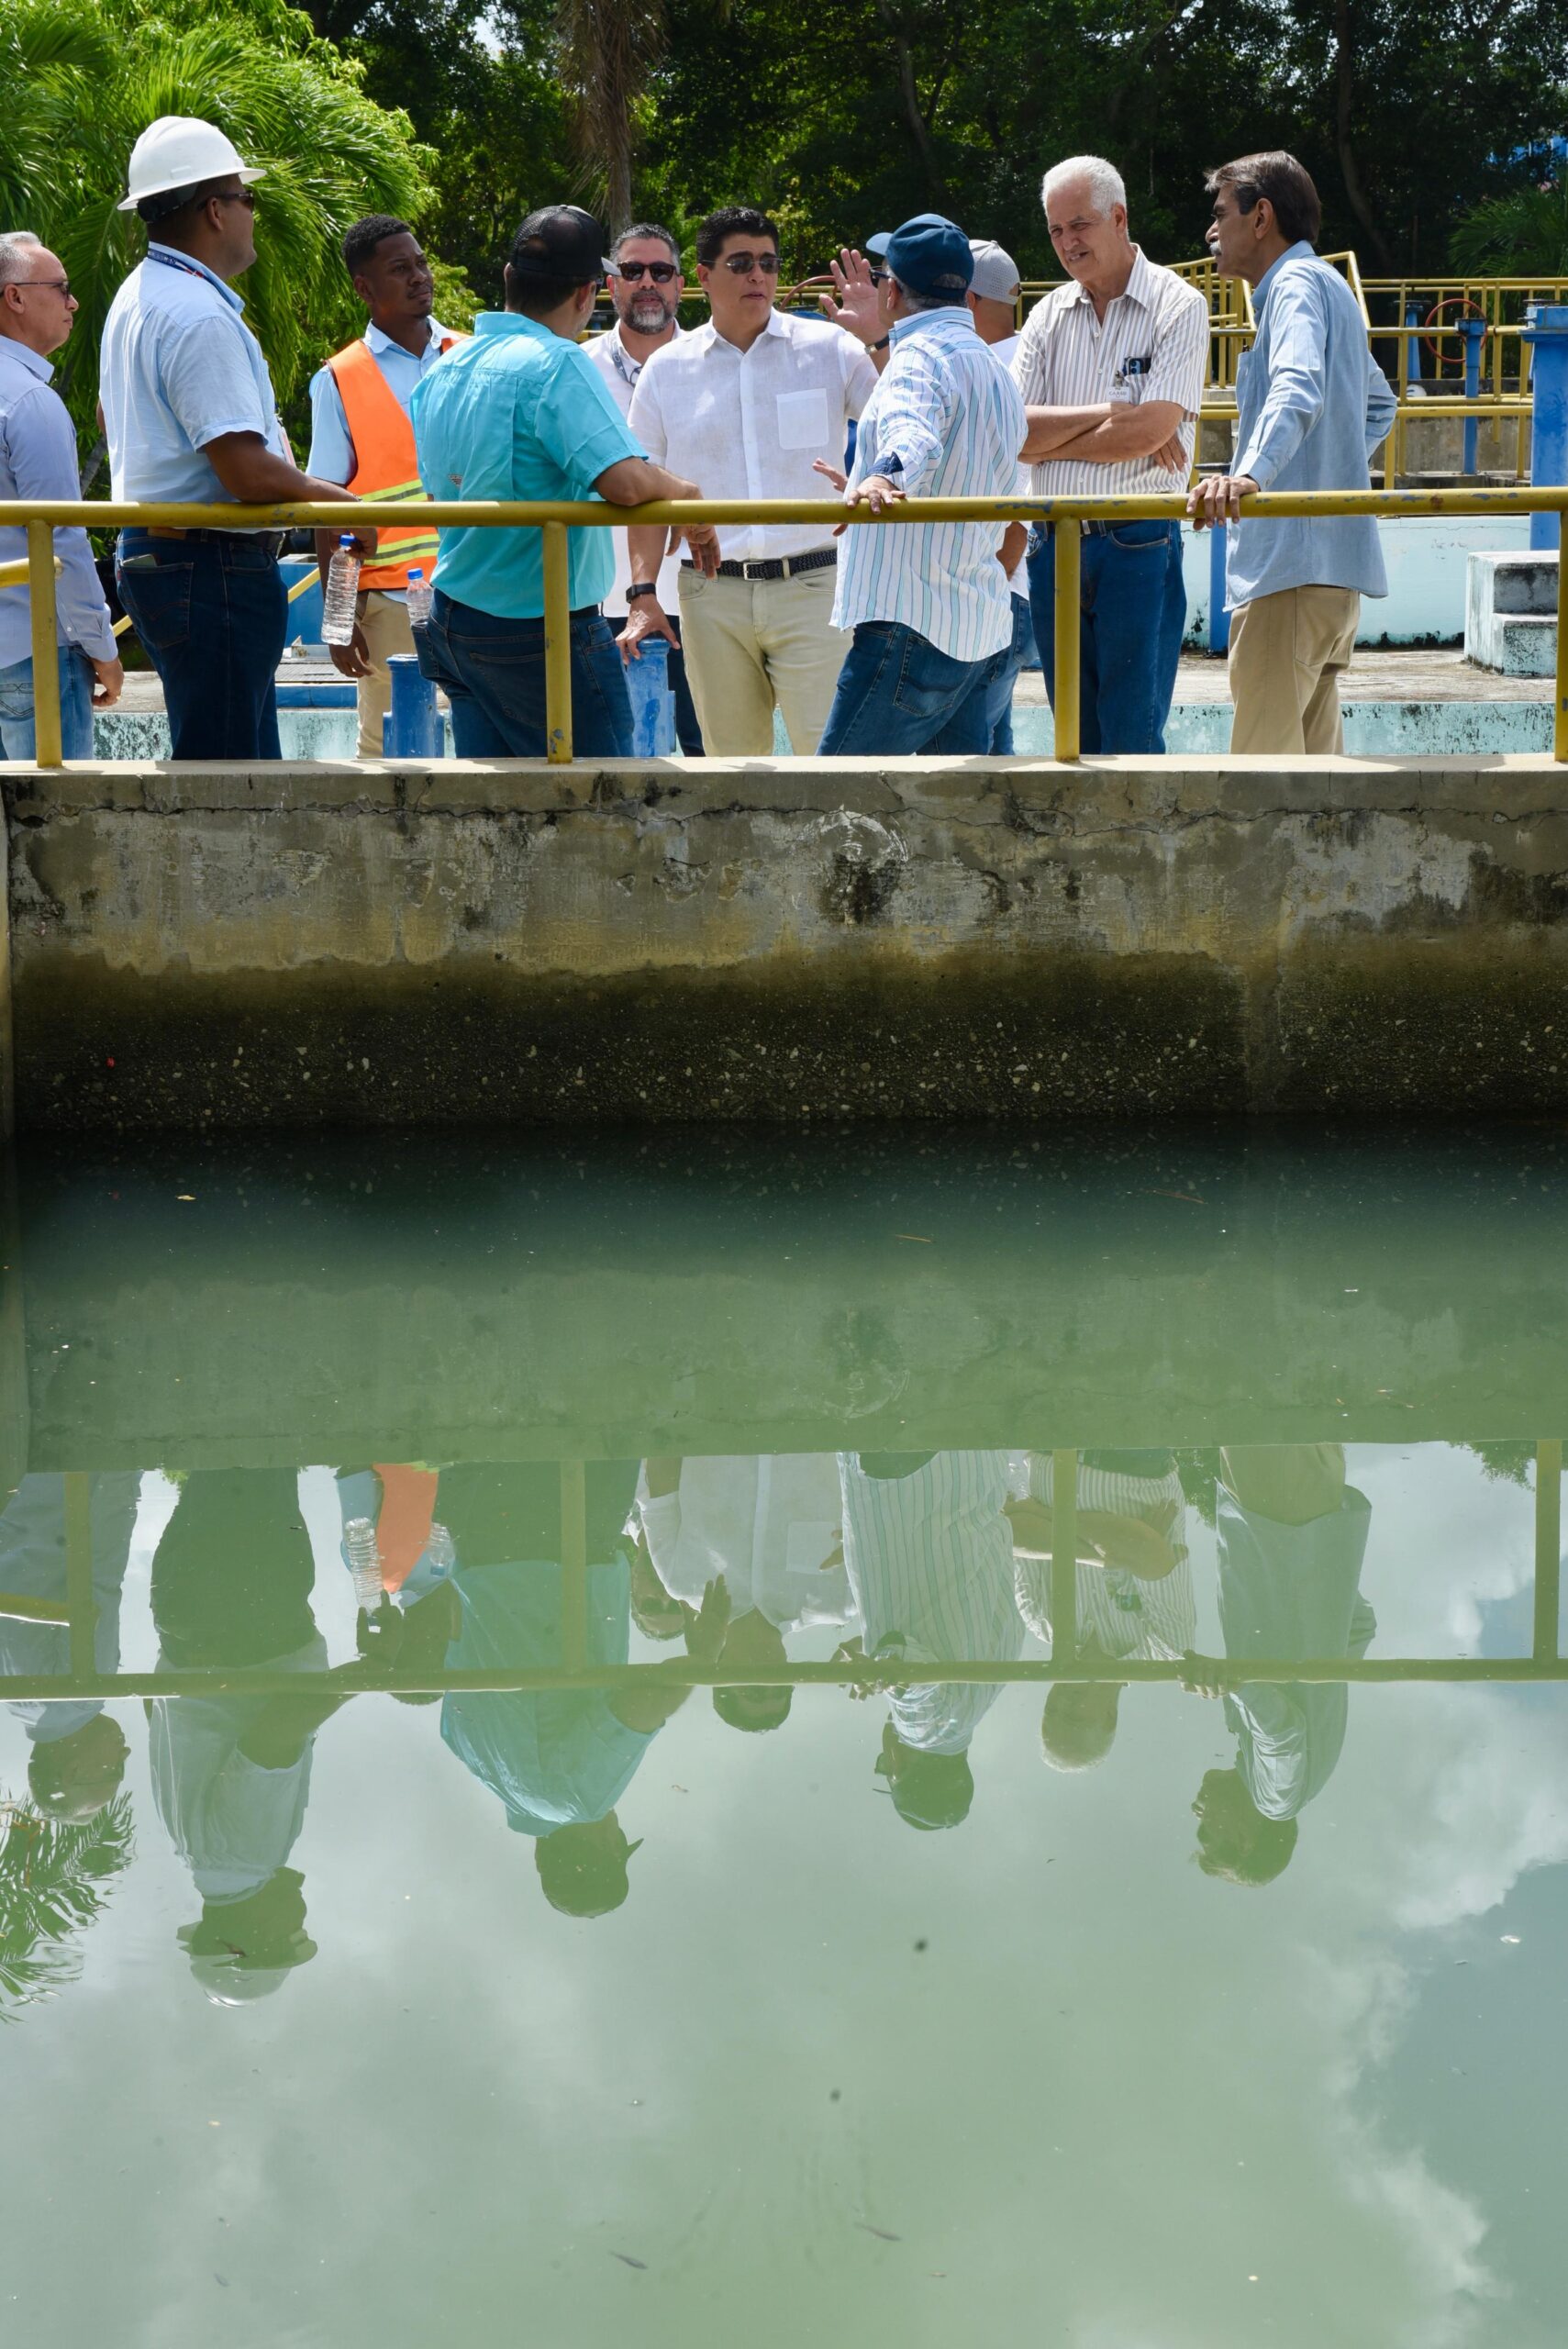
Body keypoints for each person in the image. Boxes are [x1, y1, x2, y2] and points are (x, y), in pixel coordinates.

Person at [100, 117, 373, 762]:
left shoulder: (141, 295)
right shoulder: (194, 313)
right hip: (209, 567)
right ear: (216, 211)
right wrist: (341, 503)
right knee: (227, 788)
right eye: (248, 199)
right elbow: (245, 473)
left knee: (226, 766)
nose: (254, 213)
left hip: (173, 559)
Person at [411, 205, 706, 759]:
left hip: (451, 617)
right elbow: (623, 480)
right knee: (601, 806)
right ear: (586, 294)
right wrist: (685, 492)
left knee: (493, 812)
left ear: (507, 278)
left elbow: (433, 493)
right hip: (539, 632)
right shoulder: (558, 363)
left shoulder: (445, 368)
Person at [412, 1462, 726, 1916]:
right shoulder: (473, 1757)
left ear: (611, 1847)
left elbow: (641, 1704)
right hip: (474, 1541)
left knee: (603, 1412)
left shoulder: (580, 1800)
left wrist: (705, 1661)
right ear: (542, 1855)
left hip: (562, 1534)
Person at [621, 205, 877, 755]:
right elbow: (641, 488)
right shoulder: (667, 370)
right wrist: (642, 592)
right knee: (732, 777)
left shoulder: (831, 349)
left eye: (768, 262)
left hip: (816, 589)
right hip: (712, 596)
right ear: (706, 276)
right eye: (741, 263)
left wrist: (879, 337)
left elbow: (901, 418)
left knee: (836, 768)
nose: (758, 275)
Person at [1188, 152, 1398, 755]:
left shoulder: (1292, 287)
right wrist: (1329, 465)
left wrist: (1251, 474)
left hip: (1289, 578)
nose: (1210, 231)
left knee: (1263, 788)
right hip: (1331, 582)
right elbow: (1378, 406)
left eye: (1219, 213)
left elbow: (1297, 384)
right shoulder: (1328, 283)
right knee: (1313, 791)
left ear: (1260, 217)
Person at [1013, 156, 1208, 755]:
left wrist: (1137, 425)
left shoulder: (1177, 305)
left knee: (1130, 734)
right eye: (1054, 231)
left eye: (1078, 225)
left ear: (1118, 217)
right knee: (1070, 735)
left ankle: (1137, 852)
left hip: (1137, 540)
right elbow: (1011, 433)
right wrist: (1112, 411)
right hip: (1054, 544)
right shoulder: (1047, 315)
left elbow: (1146, 431)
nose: (1066, 243)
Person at [815, 216, 1026, 758]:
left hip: (910, 625)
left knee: (828, 801)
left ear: (891, 292)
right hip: (975, 627)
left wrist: (884, 474)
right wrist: (870, 479)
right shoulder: (992, 367)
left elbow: (915, 430)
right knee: (951, 819)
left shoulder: (917, 355)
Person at [148, 1469, 343, 2000]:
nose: (302, 1919)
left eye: (292, 1934)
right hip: (192, 1615)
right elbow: (154, 1711)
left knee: (264, 1440)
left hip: (246, 1611)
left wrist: (373, 1675)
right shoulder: (191, 1848)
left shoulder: (247, 1859)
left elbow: (274, 1736)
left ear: (251, 1938)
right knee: (218, 1447)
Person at [1182, 1443, 1375, 1887]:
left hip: (1303, 1525)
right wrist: (1227, 1682)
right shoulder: (1276, 1799)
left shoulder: (1292, 1778)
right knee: (1258, 1396)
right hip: (1276, 1522)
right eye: (1206, 1831)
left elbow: (1360, 1628)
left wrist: (1324, 1570)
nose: (1197, 1813)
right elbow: (1282, 1733)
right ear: (1244, 1838)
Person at [307, 217, 464, 758]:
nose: (420, 276)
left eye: (420, 264)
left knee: (487, 743)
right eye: (401, 269)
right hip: (392, 603)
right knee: (390, 751)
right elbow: (326, 512)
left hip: (479, 590)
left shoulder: (470, 357)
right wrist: (338, 620)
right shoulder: (338, 379)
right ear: (364, 288)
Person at [835, 1450, 1023, 1831]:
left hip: (973, 1466)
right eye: (885, 1767)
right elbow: (913, 1676)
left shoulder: (997, 1676)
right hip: (902, 1475)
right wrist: (882, 1669)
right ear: (897, 1768)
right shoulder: (924, 1731)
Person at [0, 234, 123, 759]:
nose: (73, 302)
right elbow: (63, 540)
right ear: (16, 297)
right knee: (60, 832)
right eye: (62, 288)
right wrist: (102, 647)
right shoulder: (29, 400)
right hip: (34, 655)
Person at [584, 224, 704, 756]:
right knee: (609, 762)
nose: (648, 282)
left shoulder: (716, 362)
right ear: (612, 286)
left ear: (681, 285)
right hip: (600, 601)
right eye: (633, 271)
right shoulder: (576, 371)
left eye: (661, 272)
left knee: (714, 757)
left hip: (706, 598)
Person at [1008, 1450, 1195, 1772]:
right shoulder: (1164, 1650)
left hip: (1049, 1450)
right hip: (1132, 1457)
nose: (1060, 1702)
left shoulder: (1039, 1619)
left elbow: (1013, 1529)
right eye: (1074, 1717)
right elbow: (1144, 1548)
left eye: (1050, 1711)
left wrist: (1119, 1554)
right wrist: (1047, 1517)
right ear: (1110, 1716)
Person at [637, 1453, 851, 1732]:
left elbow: (661, 1479)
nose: (768, 1683)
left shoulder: (682, 1582)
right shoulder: (838, 1602)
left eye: (754, 1692)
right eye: (779, 1692)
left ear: (721, 1675)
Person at [0, 1473, 139, 1820]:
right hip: (18, 1488)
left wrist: (122, 1472)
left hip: (71, 1479)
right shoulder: (14, 1698)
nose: (125, 1755)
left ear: (72, 1772)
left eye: (113, 1772)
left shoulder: (81, 1697)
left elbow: (100, 1573)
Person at [964, 238, 1036, 754]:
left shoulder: (996, 372)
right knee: (994, 741)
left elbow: (1018, 496)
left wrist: (991, 579)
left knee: (971, 747)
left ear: (967, 300)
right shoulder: (1030, 358)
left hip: (997, 583)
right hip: (1012, 584)